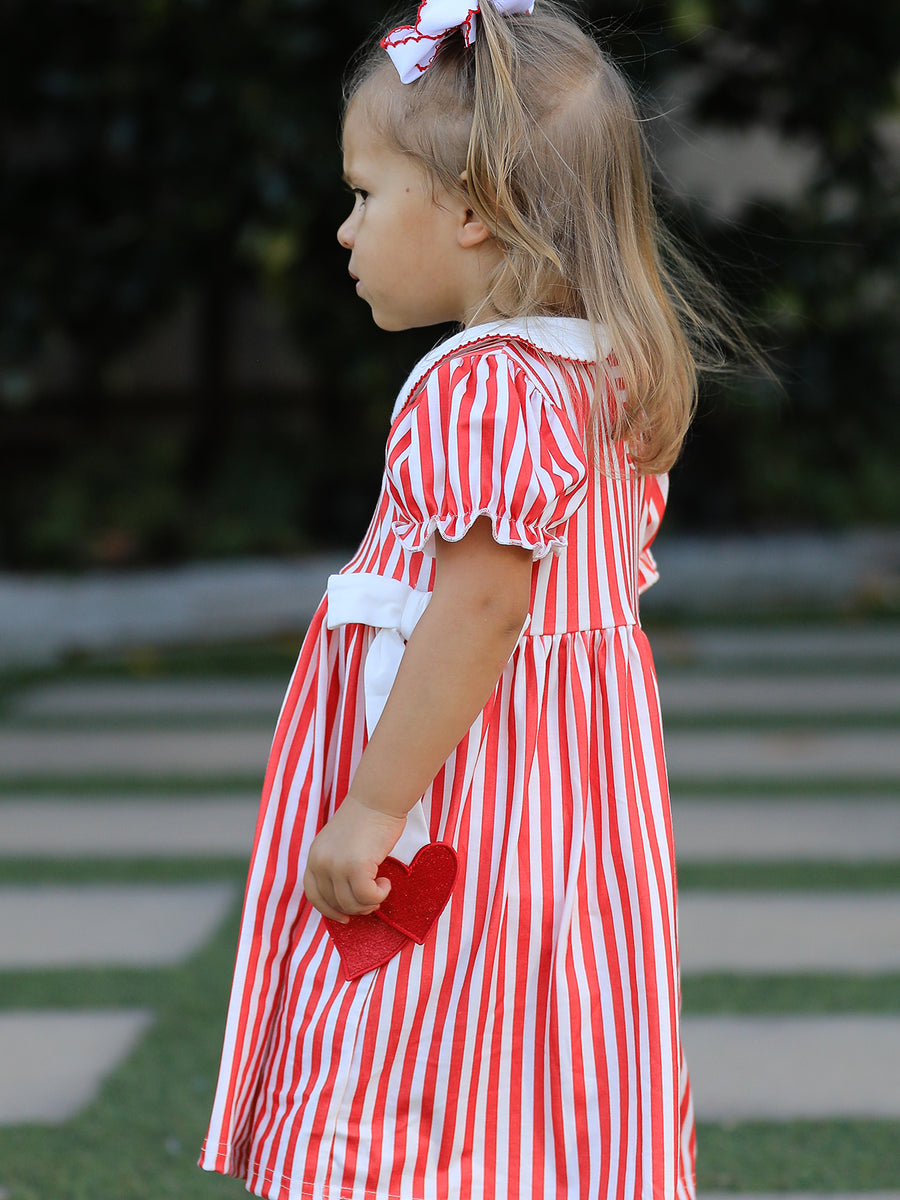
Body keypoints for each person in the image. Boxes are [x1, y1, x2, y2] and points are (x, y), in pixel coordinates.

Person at [200, 1, 731, 1196]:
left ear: (473, 211)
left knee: (401, 1058)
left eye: (365, 195)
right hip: (572, 819)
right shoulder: (603, 368)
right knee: (535, 1057)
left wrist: (375, 808)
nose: (342, 231)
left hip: (464, 802)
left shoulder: (483, 390)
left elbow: (484, 610)